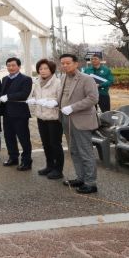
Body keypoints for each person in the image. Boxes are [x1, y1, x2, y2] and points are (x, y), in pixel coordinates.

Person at [58, 53, 100, 194]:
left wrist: (72, 107)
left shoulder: (86, 79)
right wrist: (55, 103)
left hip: (81, 119)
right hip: (66, 119)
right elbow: (63, 97)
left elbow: (93, 98)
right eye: (62, 63)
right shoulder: (63, 78)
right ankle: (80, 178)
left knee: (85, 151)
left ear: (76, 64)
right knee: (74, 150)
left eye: (68, 63)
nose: (65, 65)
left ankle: (90, 182)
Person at [27, 59, 63, 179]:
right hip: (41, 117)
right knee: (46, 143)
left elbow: (62, 99)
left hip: (54, 118)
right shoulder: (37, 82)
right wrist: (33, 99)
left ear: (51, 69)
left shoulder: (58, 82)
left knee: (55, 144)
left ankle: (58, 169)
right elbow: (34, 96)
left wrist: (53, 102)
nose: (42, 71)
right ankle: (49, 166)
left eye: (45, 68)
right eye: (40, 69)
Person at [0, 57, 33, 171]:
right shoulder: (5, 79)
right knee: (9, 137)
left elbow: (24, 94)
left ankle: (26, 161)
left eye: (13, 65)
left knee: (23, 138)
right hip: (6, 112)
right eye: (8, 65)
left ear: (19, 66)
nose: (11, 67)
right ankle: (13, 157)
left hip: (20, 114)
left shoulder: (26, 79)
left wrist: (8, 97)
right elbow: (2, 93)